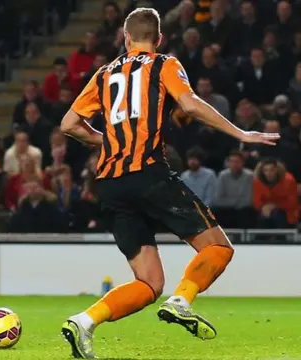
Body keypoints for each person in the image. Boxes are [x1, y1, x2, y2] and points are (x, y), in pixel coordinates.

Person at [59, 8, 280, 358]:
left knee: (148, 284)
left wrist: (110, 141)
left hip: (111, 184)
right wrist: (240, 133)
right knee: (218, 249)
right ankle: (182, 301)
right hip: (147, 173)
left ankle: (84, 321)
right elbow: (190, 105)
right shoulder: (164, 63)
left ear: (125, 37)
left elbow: (69, 124)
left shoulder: (103, 73)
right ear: (159, 39)